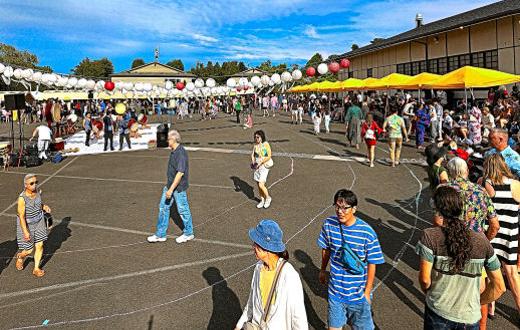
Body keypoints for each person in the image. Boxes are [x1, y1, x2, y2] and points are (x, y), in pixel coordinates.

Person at [416, 186, 506, 329]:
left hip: (439, 311)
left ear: (438, 211)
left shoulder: (430, 236)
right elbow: (500, 287)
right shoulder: (482, 242)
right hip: (470, 317)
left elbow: (425, 280)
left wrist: (431, 294)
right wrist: (478, 302)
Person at [318, 189, 385, 330]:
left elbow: (372, 263)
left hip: (358, 295)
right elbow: (326, 249)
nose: (340, 211)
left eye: (344, 208)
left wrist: (367, 292)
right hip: (335, 292)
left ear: (354, 209)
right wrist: (323, 270)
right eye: (337, 206)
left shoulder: (366, 232)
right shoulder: (329, 225)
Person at [235, 219, 308, 330]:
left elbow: (298, 316)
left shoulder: (289, 276)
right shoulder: (258, 268)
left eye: (256, 243)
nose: (253, 247)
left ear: (266, 248)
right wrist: (239, 325)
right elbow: (251, 302)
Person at [479, 153, 520, 316]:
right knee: (512, 273)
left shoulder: (484, 183)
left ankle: (490, 307)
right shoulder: (516, 185)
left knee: (489, 270)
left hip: (491, 233)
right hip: (510, 234)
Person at [148, 130, 194, 244]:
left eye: (168, 139)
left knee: (183, 210)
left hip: (178, 189)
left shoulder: (180, 153)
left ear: (173, 140)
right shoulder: (174, 151)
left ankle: (189, 233)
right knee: (163, 208)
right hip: (170, 186)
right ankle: (160, 234)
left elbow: (180, 173)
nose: (167, 141)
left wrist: (171, 190)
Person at [15, 174, 51, 277]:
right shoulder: (22, 198)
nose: (34, 185)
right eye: (31, 183)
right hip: (27, 224)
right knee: (29, 250)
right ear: (26, 185)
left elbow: (39, 203)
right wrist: (25, 231)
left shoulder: (37, 192)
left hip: (39, 221)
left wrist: (44, 207)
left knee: (40, 245)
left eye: (36, 182)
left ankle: (36, 268)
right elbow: (21, 216)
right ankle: (21, 257)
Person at [251, 130, 273, 209]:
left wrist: (261, 162)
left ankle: (268, 198)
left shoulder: (265, 144)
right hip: (257, 166)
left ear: (261, 137)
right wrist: (253, 161)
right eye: (255, 137)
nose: (256, 139)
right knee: (258, 185)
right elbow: (253, 155)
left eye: (258, 137)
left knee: (261, 184)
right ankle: (262, 200)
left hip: (264, 166)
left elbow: (268, 156)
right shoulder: (256, 146)